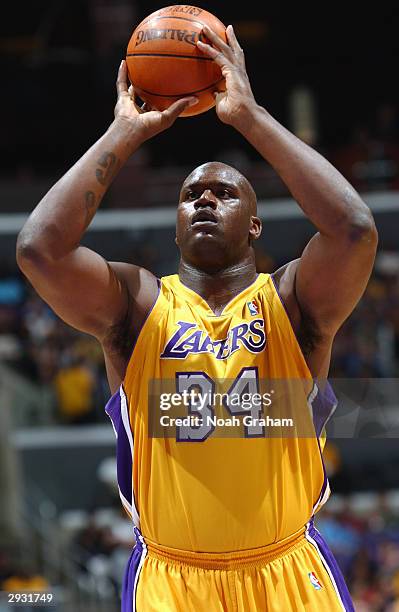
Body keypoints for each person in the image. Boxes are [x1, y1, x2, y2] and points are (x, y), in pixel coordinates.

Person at [16, 22, 377, 612]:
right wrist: (123, 132)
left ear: (256, 227)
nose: (205, 198)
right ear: (176, 226)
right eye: (191, 195)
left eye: (225, 193)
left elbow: (355, 230)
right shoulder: (136, 303)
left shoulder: (290, 301)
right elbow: (39, 250)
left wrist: (250, 117)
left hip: (285, 571)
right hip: (173, 582)